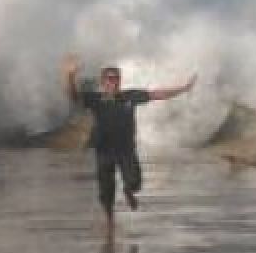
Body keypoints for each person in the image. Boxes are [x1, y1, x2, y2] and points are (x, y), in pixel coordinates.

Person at [62, 55, 196, 237]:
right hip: (104, 150)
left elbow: (156, 94)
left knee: (135, 183)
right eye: (110, 79)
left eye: (116, 79)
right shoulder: (95, 99)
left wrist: (183, 89)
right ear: (103, 82)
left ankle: (128, 191)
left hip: (126, 150)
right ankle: (109, 220)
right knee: (106, 191)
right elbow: (73, 97)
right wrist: (70, 76)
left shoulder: (129, 96)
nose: (114, 82)